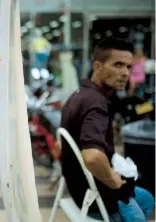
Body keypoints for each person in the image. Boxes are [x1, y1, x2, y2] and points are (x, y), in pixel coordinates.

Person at [60, 38, 154, 222]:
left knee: (147, 198)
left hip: (79, 187)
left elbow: (60, 145)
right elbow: (93, 156)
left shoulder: (80, 94)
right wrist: (112, 180)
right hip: (98, 195)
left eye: (128, 67)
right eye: (118, 65)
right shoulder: (96, 104)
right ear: (98, 66)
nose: (125, 73)